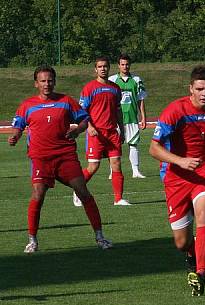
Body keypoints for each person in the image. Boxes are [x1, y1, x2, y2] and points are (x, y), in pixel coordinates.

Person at [149, 65, 205, 297]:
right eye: (200, 89)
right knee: (181, 241)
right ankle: (191, 254)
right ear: (191, 89)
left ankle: (201, 273)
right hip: (176, 178)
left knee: (204, 213)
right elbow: (154, 148)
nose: (204, 93)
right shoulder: (175, 111)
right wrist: (180, 160)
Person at [8, 65, 113, 252]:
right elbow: (18, 125)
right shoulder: (27, 105)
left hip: (65, 156)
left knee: (83, 192)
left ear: (54, 82)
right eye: (42, 81)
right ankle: (32, 240)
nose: (46, 84)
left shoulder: (66, 101)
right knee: (38, 195)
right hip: (41, 158)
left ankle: (100, 236)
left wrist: (78, 130)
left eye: (50, 80)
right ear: (36, 84)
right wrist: (15, 136)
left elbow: (84, 119)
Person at [74, 56, 131, 206]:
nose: (103, 69)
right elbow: (82, 112)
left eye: (105, 66)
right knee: (93, 166)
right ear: (96, 69)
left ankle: (118, 199)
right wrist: (90, 127)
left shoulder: (115, 88)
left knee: (117, 163)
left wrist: (122, 130)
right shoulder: (89, 88)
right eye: (100, 67)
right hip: (96, 133)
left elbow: (118, 111)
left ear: (109, 67)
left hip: (112, 132)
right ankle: (77, 190)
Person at [108, 54, 148, 179]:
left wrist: (143, 118)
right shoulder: (112, 80)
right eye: (122, 64)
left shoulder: (136, 80)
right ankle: (113, 171)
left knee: (133, 144)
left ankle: (135, 171)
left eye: (127, 64)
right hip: (115, 119)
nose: (125, 66)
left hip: (131, 118)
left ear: (130, 65)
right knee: (115, 146)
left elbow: (140, 100)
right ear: (118, 65)